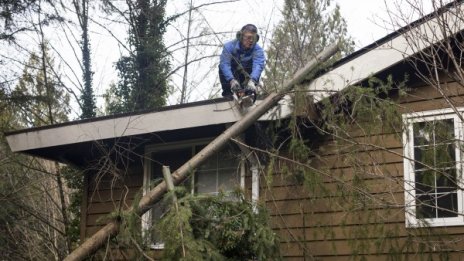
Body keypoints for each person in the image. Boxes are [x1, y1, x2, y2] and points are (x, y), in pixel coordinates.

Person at [219, 24, 265, 100]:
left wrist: (252, 81)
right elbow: (225, 64)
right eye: (249, 37)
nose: (251, 40)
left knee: (255, 70)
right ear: (241, 37)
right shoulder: (229, 47)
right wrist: (231, 80)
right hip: (232, 73)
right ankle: (228, 94)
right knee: (221, 67)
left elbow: (258, 65)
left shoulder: (258, 50)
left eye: (253, 38)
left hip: (247, 74)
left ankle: (249, 93)